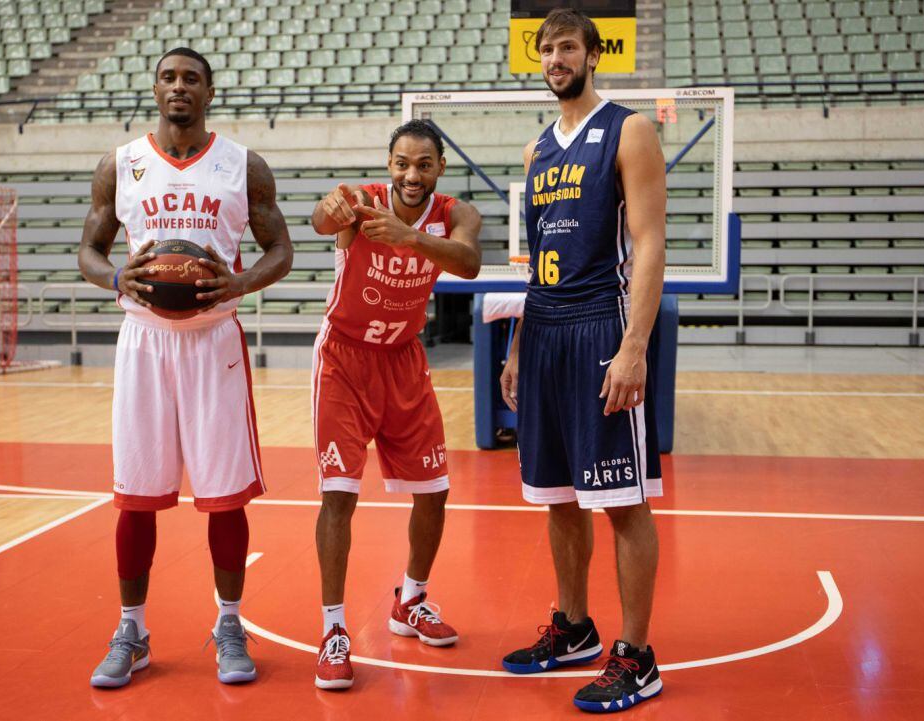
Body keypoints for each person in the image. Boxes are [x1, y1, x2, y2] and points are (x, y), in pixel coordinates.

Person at [77, 47, 293, 688]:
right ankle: (133, 630)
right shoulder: (120, 165)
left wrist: (239, 284)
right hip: (143, 342)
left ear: (210, 91)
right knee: (135, 497)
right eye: (169, 77)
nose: (180, 87)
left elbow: (279, 247)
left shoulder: (241, 165)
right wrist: (117, 275)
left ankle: (230, 623)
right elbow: (89, 250)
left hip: (213, 344)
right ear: (154, 89)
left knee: (224, 497)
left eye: (191, 79)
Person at [498, 9, 668, 714]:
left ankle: (636, 656)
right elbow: (537, 261)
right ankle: (573, 627)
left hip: (603, 325)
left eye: (567, 47)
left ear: (594, 55)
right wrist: (516, 343)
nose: (555, 58)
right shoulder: (540, 150)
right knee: (558, 495)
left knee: (620, 498)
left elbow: (652, 241)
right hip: (545, 331)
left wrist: (634, 346)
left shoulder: (628, 129)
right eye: (546, 50)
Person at [307, 120, 483, 690]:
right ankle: (334, 629)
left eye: (424, 164)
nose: (412, 174)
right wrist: (333, 208)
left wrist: (410, 239)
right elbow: (318, 220)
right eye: (402, 163)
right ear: (389, 164)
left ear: (440, 169)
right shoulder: (362, 203)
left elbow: (468, 262)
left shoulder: (458, 214)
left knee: (435, 492)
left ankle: (411, 599)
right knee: (339, 494)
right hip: (345, 359)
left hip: (403, 359)